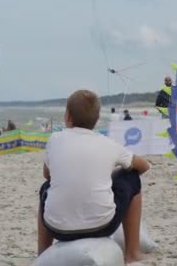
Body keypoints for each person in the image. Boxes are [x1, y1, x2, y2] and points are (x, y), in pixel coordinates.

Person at [37, 90, 150, 264]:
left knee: (46, 187)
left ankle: (42, 254)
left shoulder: (55, 139)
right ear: (97, 120)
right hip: (102, 227)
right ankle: (132, 253)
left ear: (67, 116)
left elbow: (47, 174)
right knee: (133, 178)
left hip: (57, 228)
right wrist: (109, 176)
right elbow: (144, 166)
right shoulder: (108, 144)